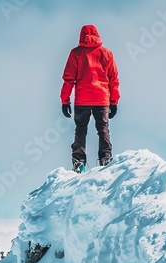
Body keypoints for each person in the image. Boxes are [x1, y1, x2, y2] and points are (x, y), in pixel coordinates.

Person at [60, 24, 120, 173]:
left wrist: (65, 100)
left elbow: (69, 79)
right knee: (103, 129)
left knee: (81, 129)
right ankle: (105, 159)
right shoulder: (107, 53)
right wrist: (114, 101)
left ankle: (79, 161)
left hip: (82, 99)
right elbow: (114, 79)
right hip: (102, 99)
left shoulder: (76, 53)